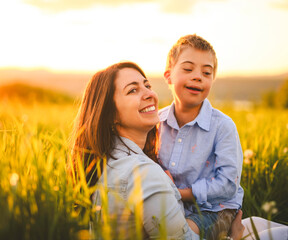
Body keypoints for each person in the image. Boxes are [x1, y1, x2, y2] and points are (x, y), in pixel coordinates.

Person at [71, 61, 244, 240]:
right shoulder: (144, 173)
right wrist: (235, 237)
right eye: (132, 90)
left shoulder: (107, 161)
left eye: (147, 85)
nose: (149, 94)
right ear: (111, 114)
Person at [158, 34, 244, 240]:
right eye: (188, 69)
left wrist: (180, 193)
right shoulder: (156, 123)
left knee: (179, 235)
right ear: (169, 76)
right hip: (171, 204)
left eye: (207, 72)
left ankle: (235, 232)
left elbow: (228, 183)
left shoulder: (222, 126)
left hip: (216, 208)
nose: (198, 76)